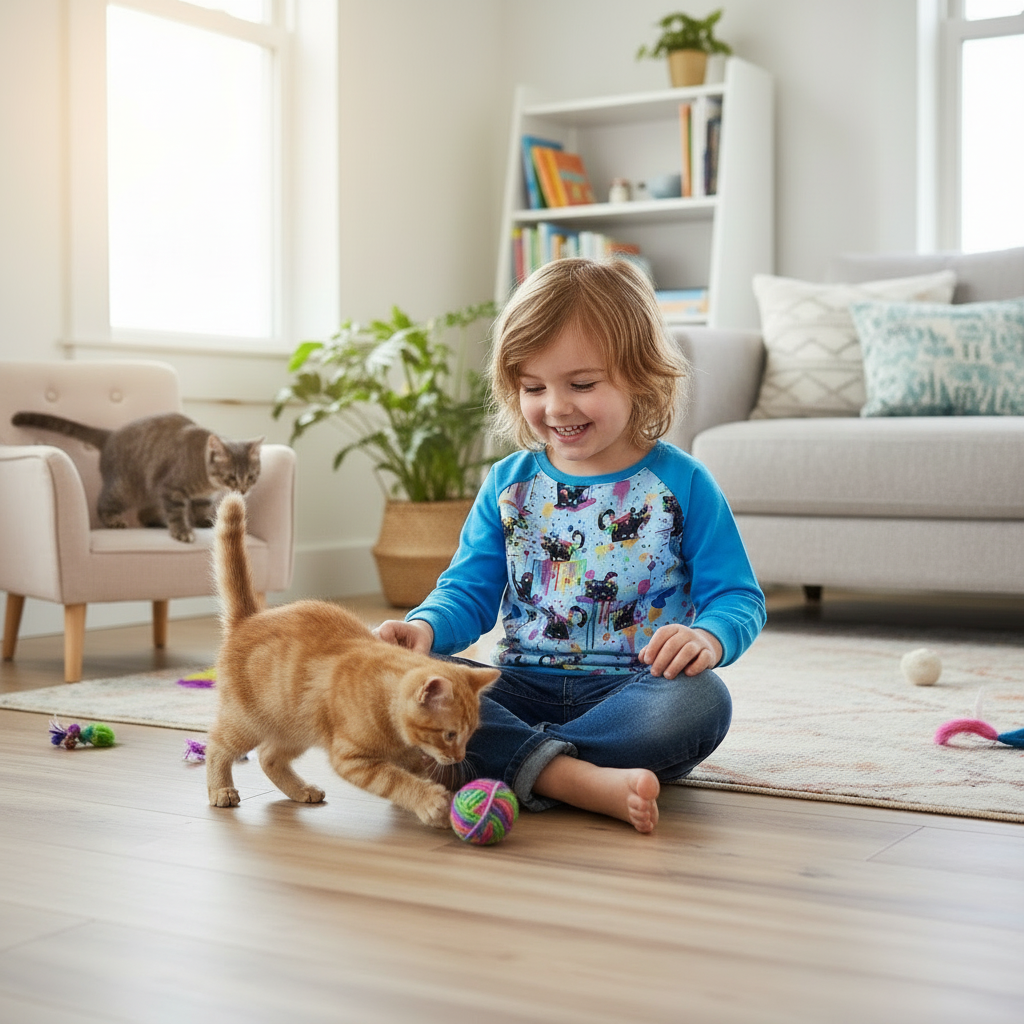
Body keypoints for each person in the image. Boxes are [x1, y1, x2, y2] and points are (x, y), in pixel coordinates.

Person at [375, 258, 765, 833]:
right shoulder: (509, 483)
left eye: (582, 385)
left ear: (641, 375)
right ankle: (572, 778)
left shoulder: (683, 483)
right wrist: (425, 629)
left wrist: (707, 637)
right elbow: (466, 592)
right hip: (516, 683)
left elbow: (737, 596)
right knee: (400, 680)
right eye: (534, 387)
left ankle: (515, 762)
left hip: (632, 691)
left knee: (703, 701)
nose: (556, 407)